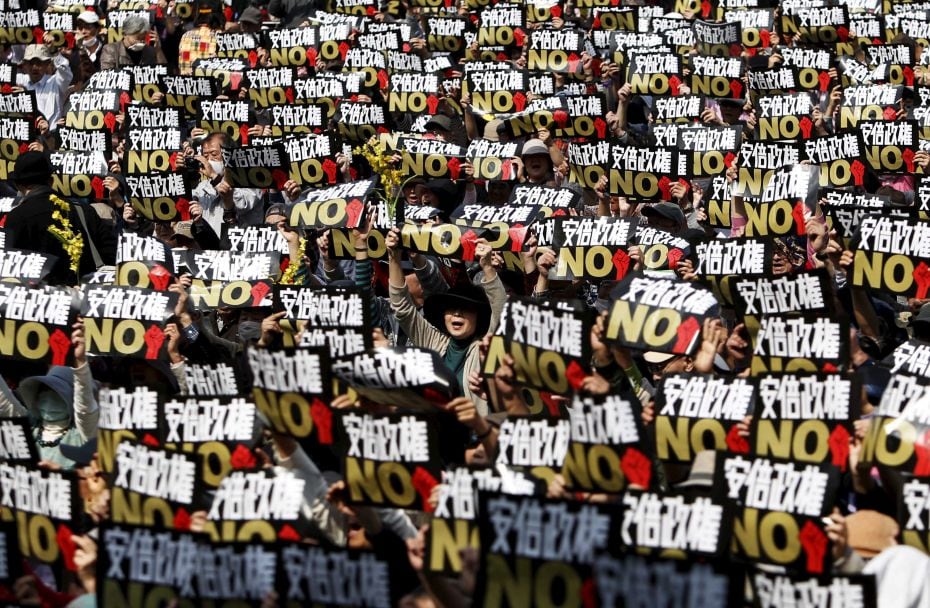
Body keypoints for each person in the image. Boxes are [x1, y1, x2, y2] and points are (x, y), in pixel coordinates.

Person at [16, 44, 72, 129]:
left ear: (47, 64)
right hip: (26, 136)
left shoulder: (56, 82)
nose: (34, 67)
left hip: (50, 138)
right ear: (25, 65)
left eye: (39, 63)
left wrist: (54, 51)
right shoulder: (19, 80)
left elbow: (66, 72)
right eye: (31, 63)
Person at [100, 15, 167, 70]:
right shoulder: (111, 50)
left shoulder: (149, 51)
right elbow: (107, 73)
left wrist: (158, 50)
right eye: (137, 38)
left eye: (143, 38)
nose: (141, 41)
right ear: (125, 34)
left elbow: (164, 70)